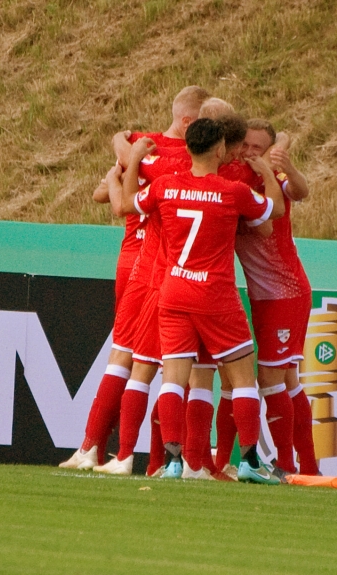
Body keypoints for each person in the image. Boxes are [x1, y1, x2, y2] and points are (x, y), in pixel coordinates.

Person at [107, 118, 284, 483]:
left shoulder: (166, 186)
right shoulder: (232, 191)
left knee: (172, 380)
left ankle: (173, 463)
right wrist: (266, 171)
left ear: (187, 148)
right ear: (220, 150)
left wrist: (136, 161)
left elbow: (126, 203)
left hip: (173, 292)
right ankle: (250, 460)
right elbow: (275, 211)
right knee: (243, 379)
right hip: (216, 296)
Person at [60, 86, 209, 470]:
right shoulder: (191, 156)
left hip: (138, 259)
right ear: (190, 122)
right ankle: (140, 456)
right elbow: (107, 194)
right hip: (153, 263)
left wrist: (120, 153)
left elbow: (103, 192)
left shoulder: (142, 146)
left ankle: (98, 447)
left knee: (132, 358)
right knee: (161, 365)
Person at [235, 119, 318, 477]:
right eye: (247, 146)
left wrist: (285, 162)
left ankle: (286, 464)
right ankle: (308, 466)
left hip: (285, 292)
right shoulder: (236, 178)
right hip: (264, 295)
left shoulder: (274, 180)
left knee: (270, 378)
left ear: (269, 151)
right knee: (287, 380)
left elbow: (300, 191)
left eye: (259, 147)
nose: (251, 153)